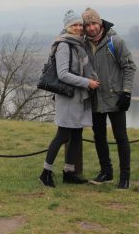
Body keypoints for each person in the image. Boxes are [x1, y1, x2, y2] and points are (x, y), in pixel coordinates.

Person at [39, 10, 100, 188]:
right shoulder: (64, 45)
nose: (79, 28)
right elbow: (63, 74)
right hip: (67, 97)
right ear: (67, 27)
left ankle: (69, 172)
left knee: (77, 134)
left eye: (80, 25)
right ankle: (45, 173)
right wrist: (87, 82)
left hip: (78, 97)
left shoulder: (79, 44)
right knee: (63, 135)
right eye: (75, 25)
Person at [82, 7, 136, 189]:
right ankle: (106, 172)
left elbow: (129, 67)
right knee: (99, 137)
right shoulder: (83, 44)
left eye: (94, 23)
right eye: (87, 25)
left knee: (121, 137)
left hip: (116, 98)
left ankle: (125, 177)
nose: (91, 28)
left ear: (100, 23)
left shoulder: (115, 42)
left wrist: (126, 92)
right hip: (95, 98)